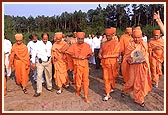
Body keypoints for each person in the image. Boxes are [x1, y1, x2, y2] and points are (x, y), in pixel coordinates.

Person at [121, 28, 152, 107]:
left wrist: (144, 60)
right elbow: (127, 56)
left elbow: (146, 54)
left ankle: (139, 99)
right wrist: (129, 60)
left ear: (141, 36)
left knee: (140, 82)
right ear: (132, 37)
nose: (137, 39)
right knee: (131, 82)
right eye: (135, 37)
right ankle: (125, 90)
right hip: (133, 67)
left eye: (138, 37)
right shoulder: (130, 44)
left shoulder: (144, 44)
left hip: (142, 66)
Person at [66, 32, 93, 103]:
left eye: (82, 39)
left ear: (84, 39)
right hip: (77, 65)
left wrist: (85, 57)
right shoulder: (73, 46)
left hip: (85, 65)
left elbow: (90, 54)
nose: (80, 40)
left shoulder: (87, 46)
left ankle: (86, 95)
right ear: (77, 39)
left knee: (86, 80)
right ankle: (78, 90)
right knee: (78, 80)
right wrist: (76, 57)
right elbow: (69, 53)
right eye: (79, 39)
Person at [98, 28, 120, 101]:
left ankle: (111, 87)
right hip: (105, 64)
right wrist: (100, 55)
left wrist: (107, 56)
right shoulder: (104, 43)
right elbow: (100, 52)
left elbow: (117, 54)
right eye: (106, 36)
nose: (108, 37)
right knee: (106, 78)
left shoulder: (116, 43)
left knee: (112, 77)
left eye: (109, 36)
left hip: (113, 64)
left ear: (113, 35)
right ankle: (108, 93)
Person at [32, 33, 53, 97]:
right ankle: (38, 91)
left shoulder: (50, 43)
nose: (45, 40)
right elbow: (33, 53)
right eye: (44, 39)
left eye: (46, 39)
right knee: (39, 76)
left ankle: (49, 87)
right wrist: (33, 62)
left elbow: (52, 51)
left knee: (49, 75)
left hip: (48, 61)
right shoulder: (38, 44)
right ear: (41, 38)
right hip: (40, 62)